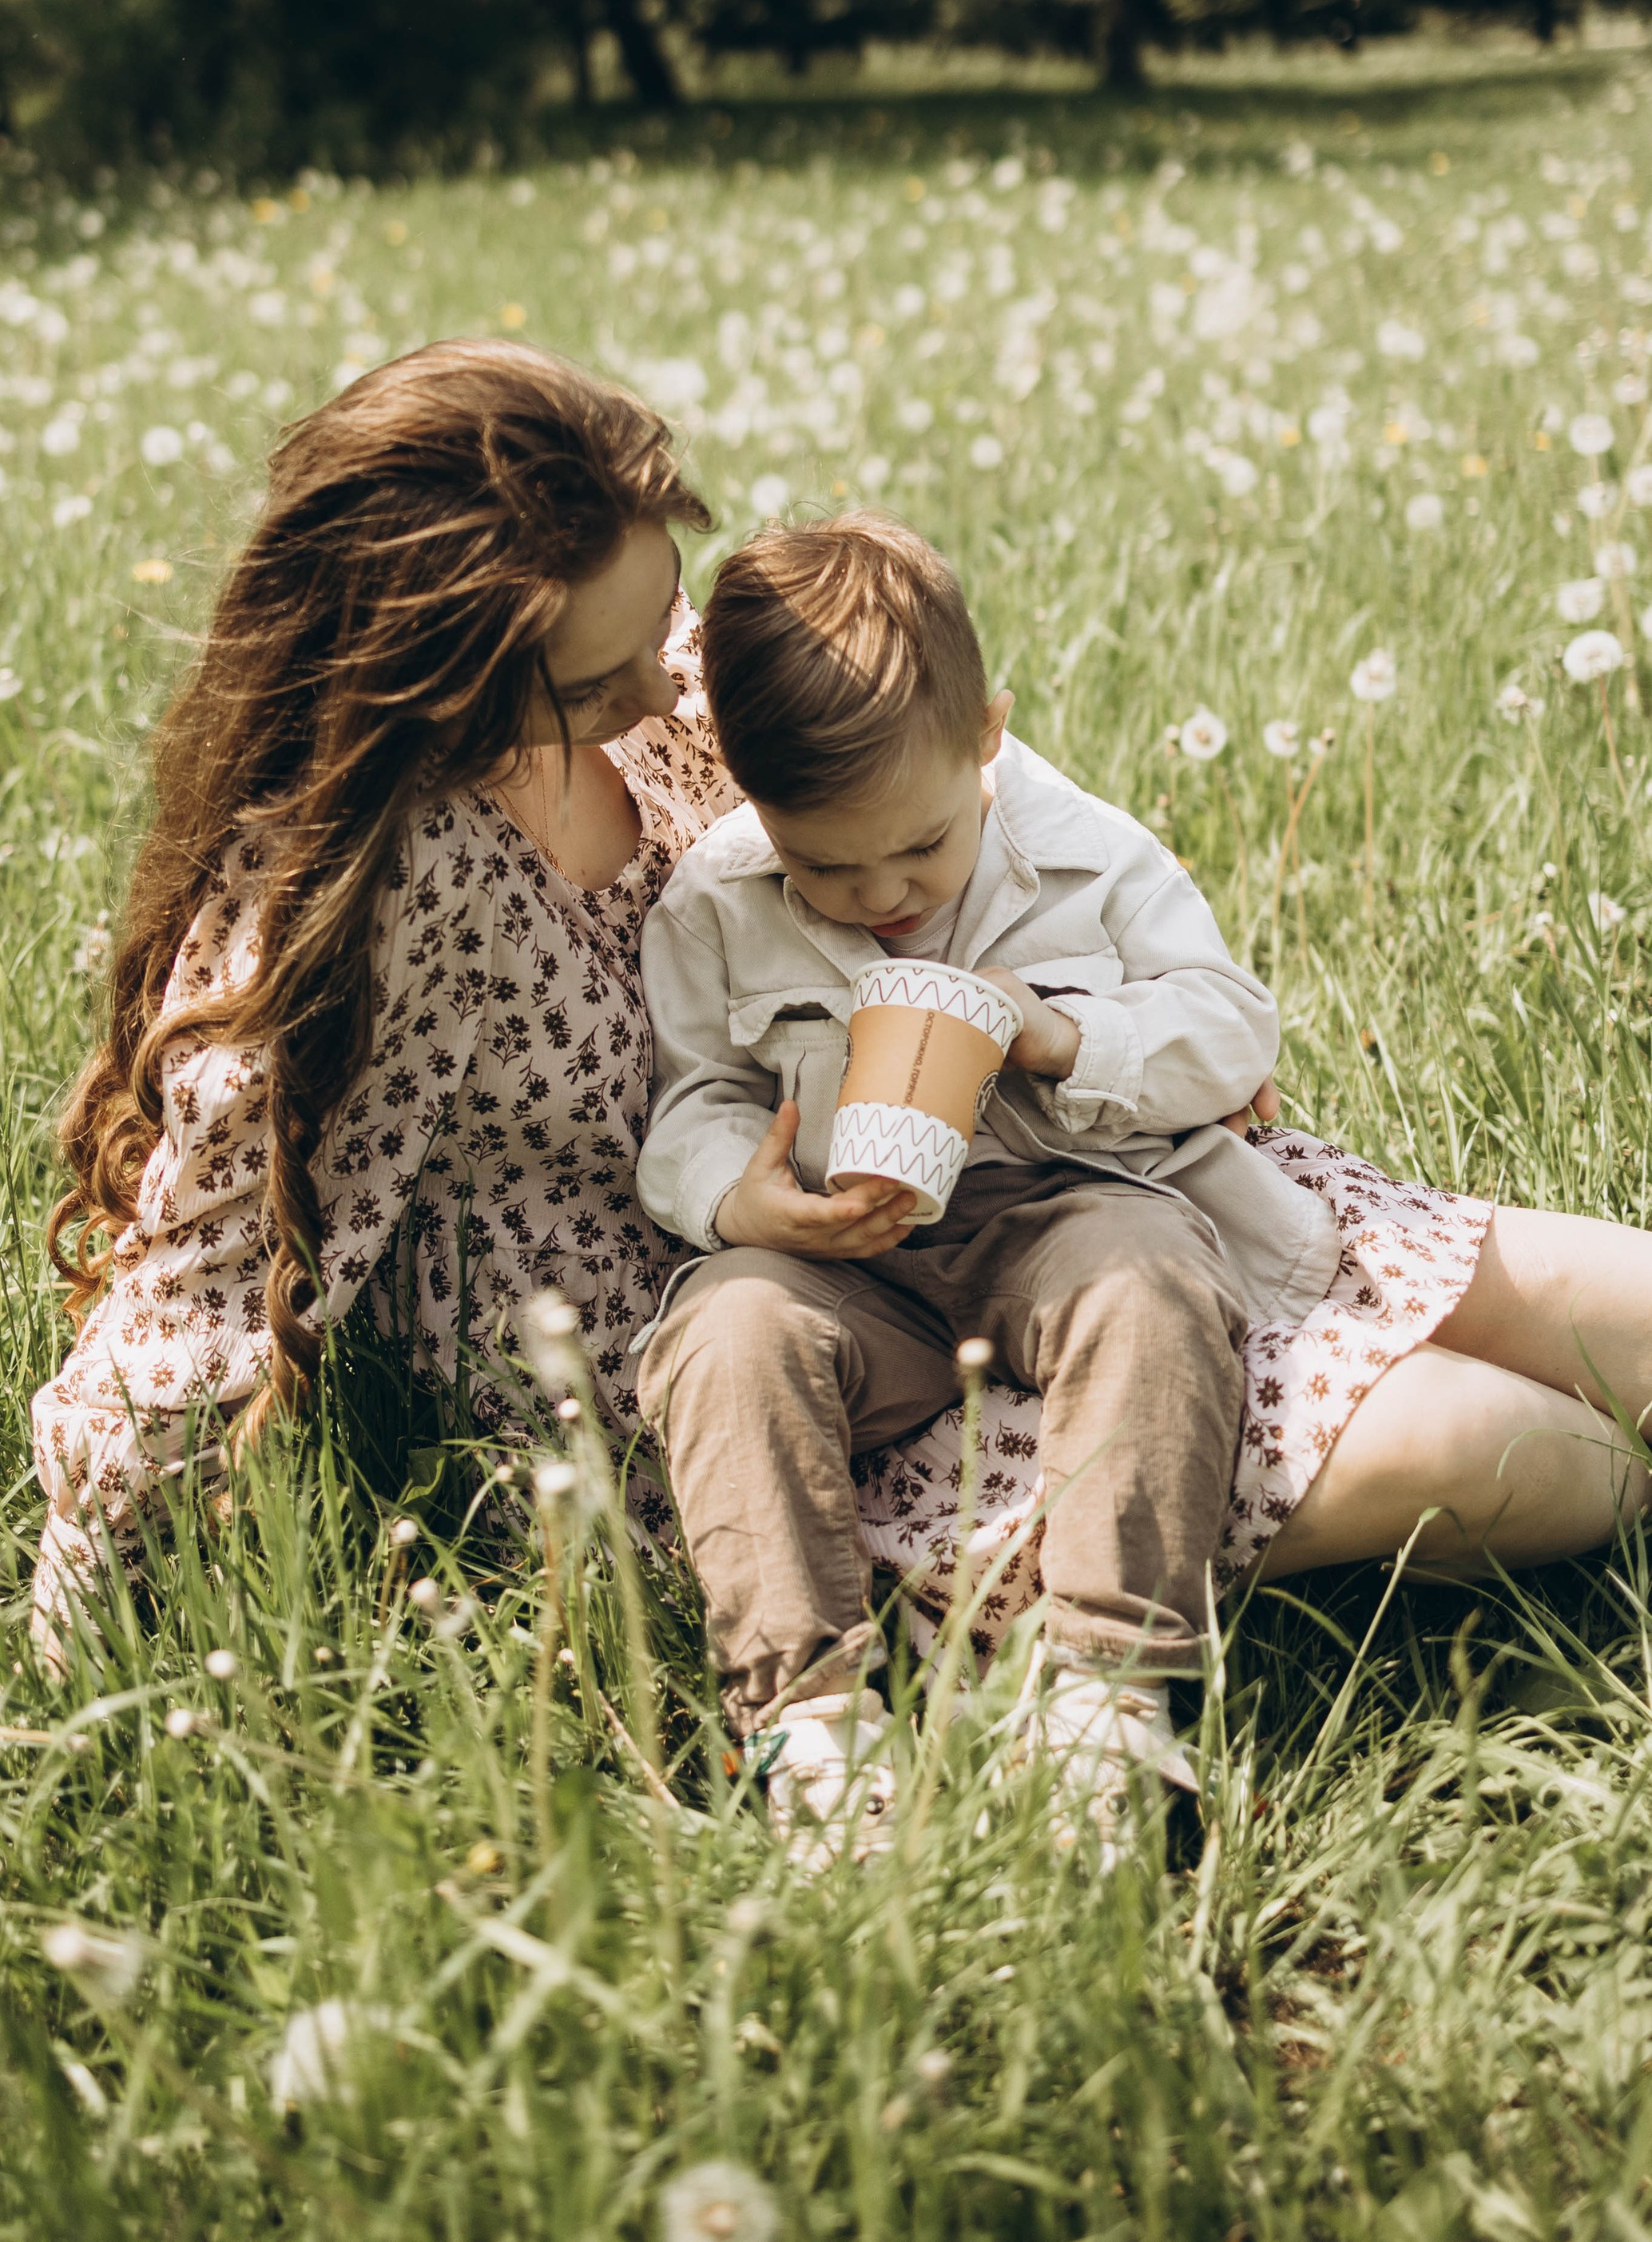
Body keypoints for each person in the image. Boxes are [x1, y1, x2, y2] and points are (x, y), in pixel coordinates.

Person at [637, 514, 1652, 1847]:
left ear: (987, 735)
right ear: (754, 806)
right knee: (726, 1323)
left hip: (1070, 1199)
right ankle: (806, 1718)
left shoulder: (1078, 850)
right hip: (843, 1256)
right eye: (825, 867)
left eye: (921, 851)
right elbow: (693, 1098)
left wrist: (1060, 1032)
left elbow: (1232, 1026)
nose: (879, 892)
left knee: (1148, 1278)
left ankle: (1106, 1686)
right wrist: (742, 1200)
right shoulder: (717, 900)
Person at [29, 340, 736, 1648]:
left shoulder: (660, 671)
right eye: (590, 687)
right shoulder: (404, 871)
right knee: (1171, 1461)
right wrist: (65, 1669)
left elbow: (932, 782)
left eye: (667, 611)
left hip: (847, 1250)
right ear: (435, 681)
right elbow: (216, 1278)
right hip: (665, 1386)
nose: (665, 688)